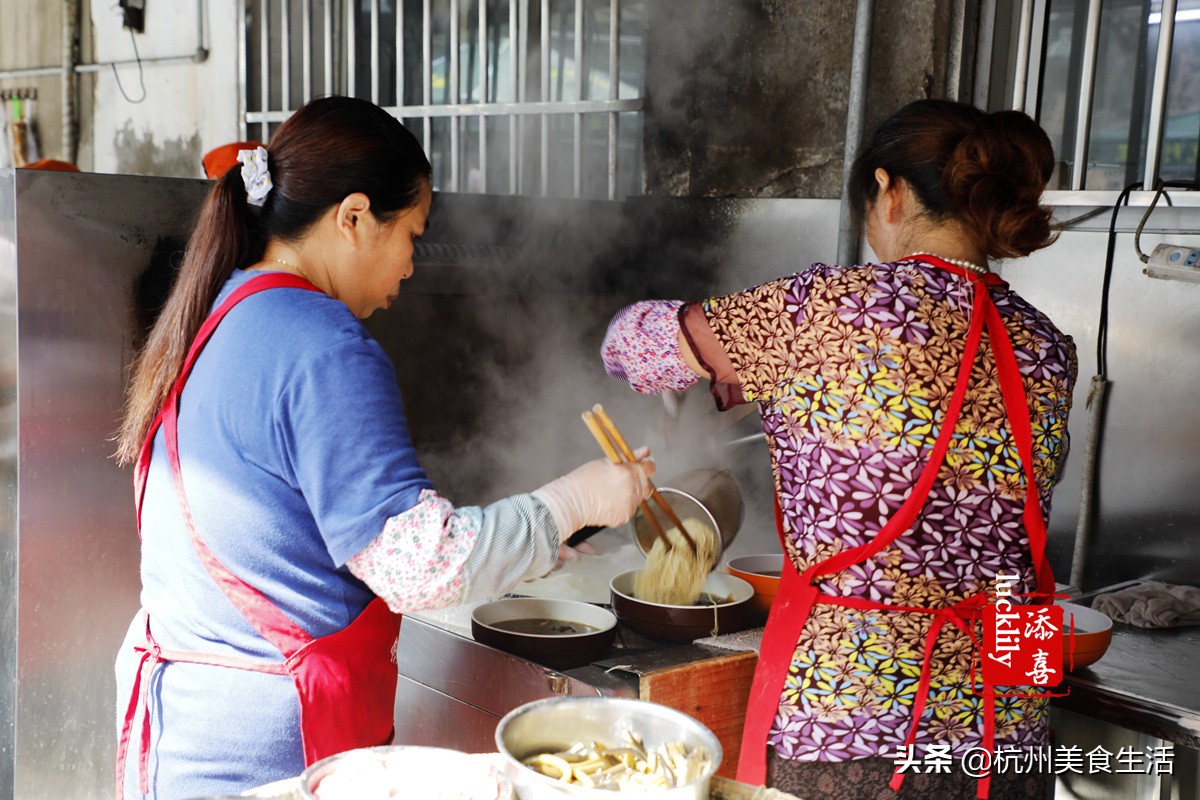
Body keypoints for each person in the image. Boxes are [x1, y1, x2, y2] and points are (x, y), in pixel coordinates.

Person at [112, 95, 654, 800]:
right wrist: (573, 498)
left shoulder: (223, 311)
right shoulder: (323, 344)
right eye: (412, 236)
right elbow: (419, 566)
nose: (411, 266)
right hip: (270, 757)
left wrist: (544, 540)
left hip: (179, 739)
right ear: (355, 216)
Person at [601, 99, 1076, 800]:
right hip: (1008, 731)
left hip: (852, 727)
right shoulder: (1046, 345)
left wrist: (722, 357)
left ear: (890, 191)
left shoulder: (832, 308)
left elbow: (628, 347)